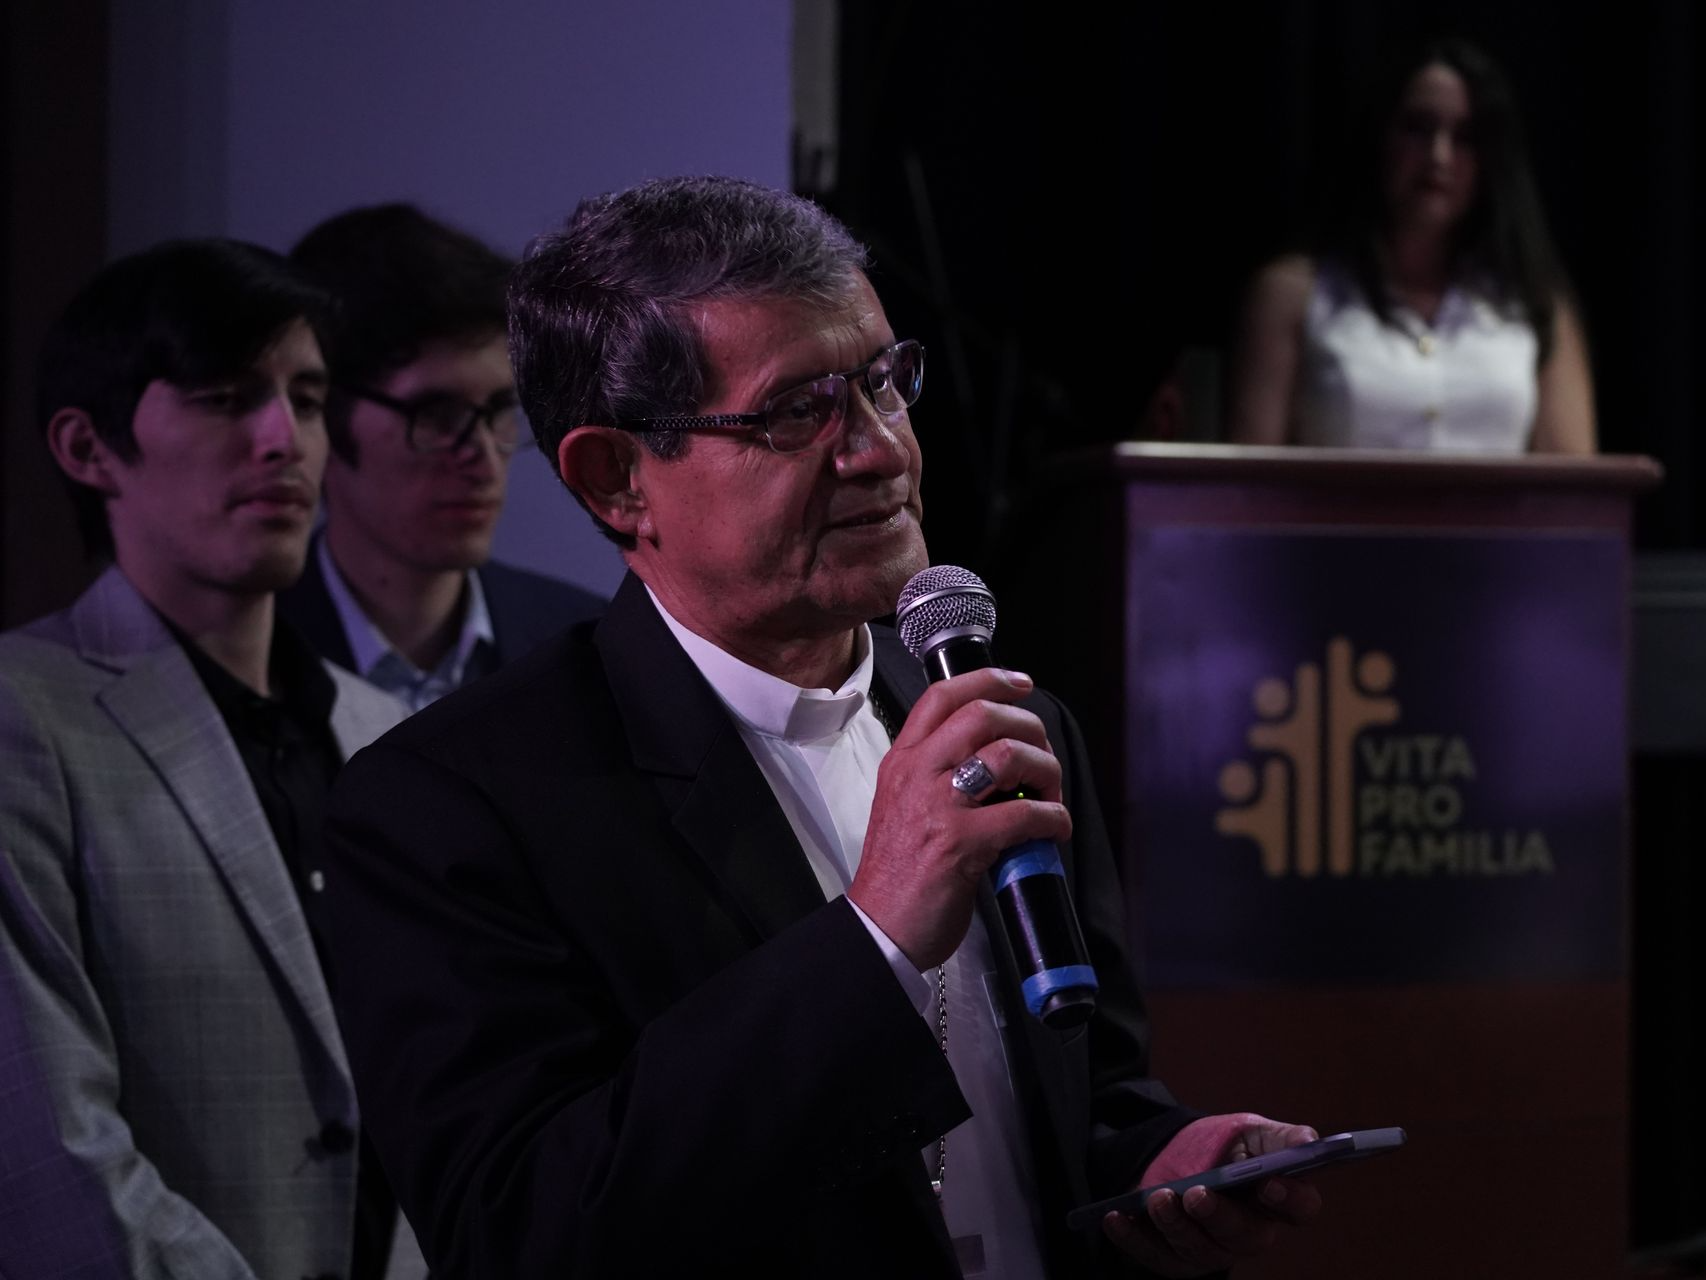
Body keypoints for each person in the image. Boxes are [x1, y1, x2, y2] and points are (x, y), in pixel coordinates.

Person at [322, 176, 1324, 1279]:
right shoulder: (448, 808)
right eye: (799, 411)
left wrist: (1156, 1163)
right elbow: (524, 1232)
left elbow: (1086, 1099)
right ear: (617, 481)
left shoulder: (1010, 720)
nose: (882, 448)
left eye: (886, 382)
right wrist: (876, 935)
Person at [0, 240, 416, 1278]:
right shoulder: (26, 714)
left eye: (307, 400)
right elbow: (53, 1153)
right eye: (226, 398)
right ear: (88, 447)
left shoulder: (383, 730)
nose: (285, 440)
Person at [280, 203, 604, 710]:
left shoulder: (588, 650)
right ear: (323, 414)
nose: (483, 459)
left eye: (499, 409)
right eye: (436, 415)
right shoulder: (251, 652)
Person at [1226, 37, 1595, 454]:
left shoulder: (1534, 303)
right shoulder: (1294, 294)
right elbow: (1246, 482)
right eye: (1419, 128)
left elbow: (1575, 484)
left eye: (1465, 137)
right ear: (1379, 137)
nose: (1439, 156)